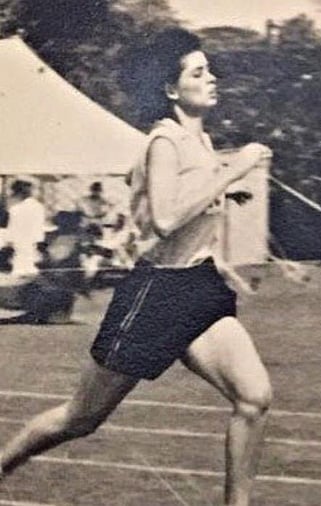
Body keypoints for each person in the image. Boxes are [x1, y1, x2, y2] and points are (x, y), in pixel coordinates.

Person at [0, 28, 273, 506]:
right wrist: (234, 169)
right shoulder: (164, 141)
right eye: (198, 72)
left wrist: (223, 186)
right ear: (171, 89)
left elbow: (183, 202)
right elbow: (166, 219)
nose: (212, 78)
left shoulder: (199, 140)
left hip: (199, 286)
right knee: (81, 419)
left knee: (254, 397)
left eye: (209, 69)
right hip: (158, 291)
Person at [3, 179, 47, 277]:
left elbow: (12, 229)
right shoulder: (38, 206)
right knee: (28, 263)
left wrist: (8, 241)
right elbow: (39, 228)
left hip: (19, 241)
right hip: (32, 240)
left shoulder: (15, 208)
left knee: (20, 264)